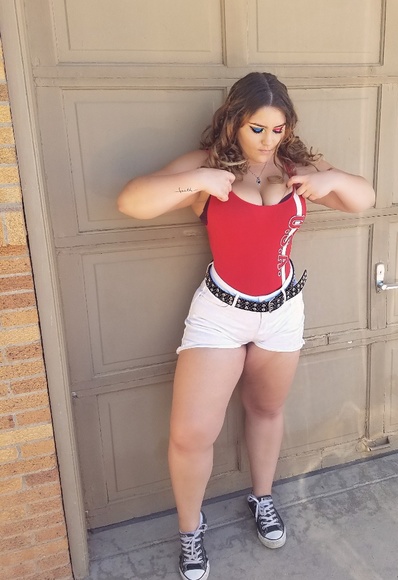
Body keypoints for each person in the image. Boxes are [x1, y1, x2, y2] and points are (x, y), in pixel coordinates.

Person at [117, 72, 375, 580]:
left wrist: (332, 182)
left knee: (266, 409)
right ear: (235, 121)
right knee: (191, 434)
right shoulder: (209, 165)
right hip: (221, 314)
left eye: (278, 129)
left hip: (282, 313)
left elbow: (363, 197)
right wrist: (198, 182)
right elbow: (132, 201)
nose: (267, 140)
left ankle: (262, 497)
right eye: (257, 128)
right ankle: (190, 530)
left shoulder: (297, 167)